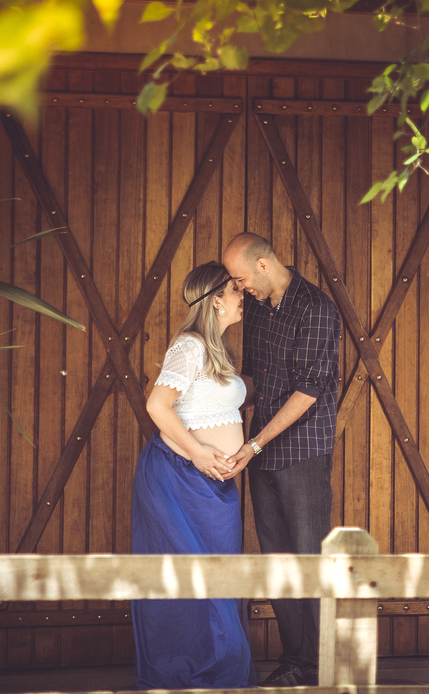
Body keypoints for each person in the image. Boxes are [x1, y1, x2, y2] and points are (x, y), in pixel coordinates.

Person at [221, 232, 340, 688]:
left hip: (302, 452)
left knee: (309, 557)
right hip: (261, 452)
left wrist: (253, 445)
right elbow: (253, 378)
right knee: (277, 559)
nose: (239, 288)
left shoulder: (315, 308)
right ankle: (296, 660)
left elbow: (308, 391)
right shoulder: (256, 307)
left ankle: (321, 664)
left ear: (263, 264)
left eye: (240, 278)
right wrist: (209, 401)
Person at [131, 262, 252, 690]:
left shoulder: (217, 349)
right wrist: (200, 453)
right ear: (216, 299)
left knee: (219, 577)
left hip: (213, 485)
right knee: (188, 580)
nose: (242, 295)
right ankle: (182, 679)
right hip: (177, 478)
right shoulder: (190, 345)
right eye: (235, 289)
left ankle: (215, 675)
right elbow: (157, 406)